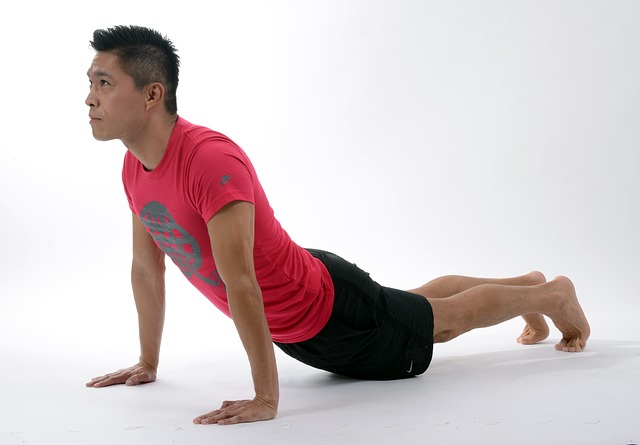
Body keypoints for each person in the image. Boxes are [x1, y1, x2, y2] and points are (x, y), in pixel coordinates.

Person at [84, 25, 590, 426]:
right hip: (307, 309)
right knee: (418, 305)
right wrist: (147, 362)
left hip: (328, 314)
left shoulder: (209, 161)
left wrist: (265, 398)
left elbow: (242, 283)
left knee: (442, 322)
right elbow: (146, 270)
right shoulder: (136, 167)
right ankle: (526, 285)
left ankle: (550, 297)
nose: (90, 98)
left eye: (104, 84)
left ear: (153, 94)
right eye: (90, 83)